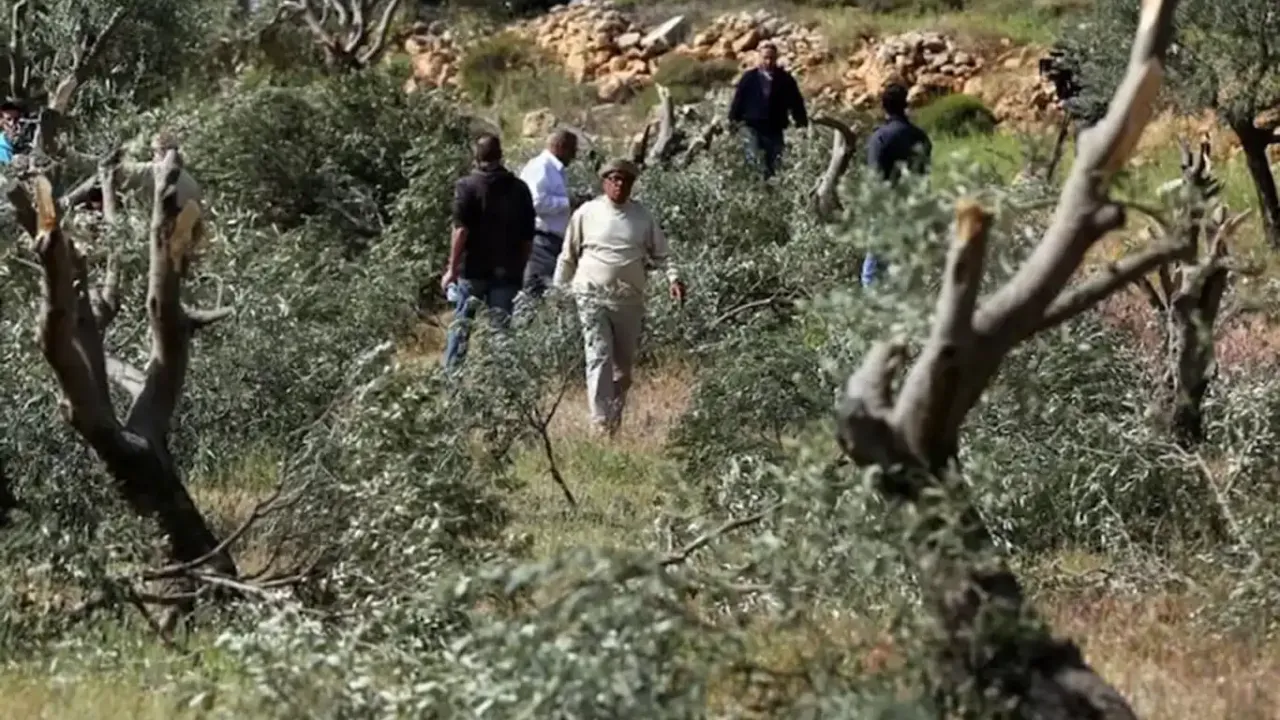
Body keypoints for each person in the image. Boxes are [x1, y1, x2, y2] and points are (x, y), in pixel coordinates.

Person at [553, 158, 686, 438]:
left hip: (628, 300)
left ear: (632, 184)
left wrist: (674, 278)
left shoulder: (642, 217)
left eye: (625, 180)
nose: (619, 184)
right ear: (604, 182)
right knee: (598, 356)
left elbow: (663, 255)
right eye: (614, 179)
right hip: (591, 296)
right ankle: (600, 423)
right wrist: (558, 291)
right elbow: (568, 256)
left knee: (622, 370)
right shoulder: (586, 213)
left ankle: (614, 420)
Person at [442, 133, 536, 370]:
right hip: (507, 270)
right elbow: (528, 236)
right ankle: (500, 380)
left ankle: (451, 378)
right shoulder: (520, 189)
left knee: (462, 327)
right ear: (501, 155)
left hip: (473, 269)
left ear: (476, 156)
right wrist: (520, 268)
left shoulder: (467, 186)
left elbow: (460, 231)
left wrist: (452, 269)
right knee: (501, 332)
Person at [861, 83, 932, 286]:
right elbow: (925, 173)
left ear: (883, 106)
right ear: (905, 105)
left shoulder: (880, 137)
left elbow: (875, 176)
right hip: (914, 205)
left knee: (873, 271)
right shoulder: (920, 136)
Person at [518, 129, 590, 298]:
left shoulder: (555, 170)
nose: (574, 155)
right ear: (560, 147)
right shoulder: (541, 167)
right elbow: (535, 202)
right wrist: (568, 202)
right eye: (572, 149)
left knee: (549, 294)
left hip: (553, 243)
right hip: (540, 242)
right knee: (536, 293)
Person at [728, 41, 809, 179]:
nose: (768, 61)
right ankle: (756, 186)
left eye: (772, 58)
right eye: (765, 58)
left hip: (774, 128)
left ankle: (770, 189)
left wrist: (801, 123)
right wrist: (733, 121)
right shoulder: (749, 78)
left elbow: (796, 103)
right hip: (752, 126)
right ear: (759, 57)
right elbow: (738, 101)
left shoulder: (785, 79)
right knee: (755, 161)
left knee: (775, 164)